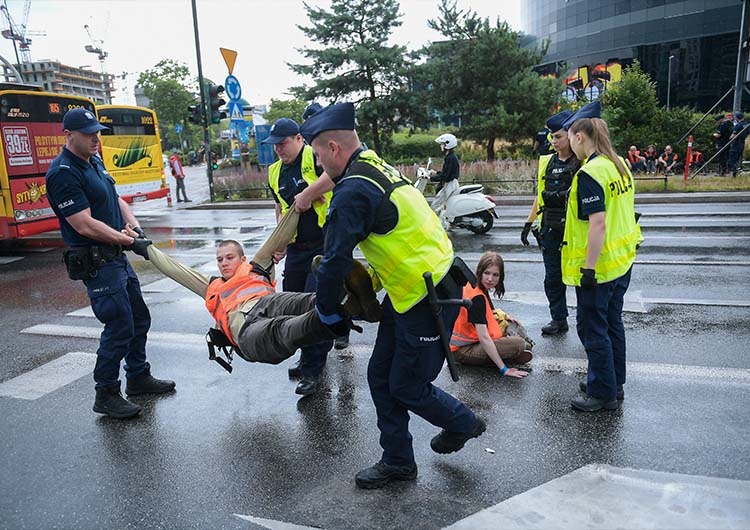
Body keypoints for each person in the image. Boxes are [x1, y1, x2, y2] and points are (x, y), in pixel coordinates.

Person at [300, 102, 486, 490]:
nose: (318, 165)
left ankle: (464, 422)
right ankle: (398, 461)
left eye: (317, 154)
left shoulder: (352, 191)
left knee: (406, 384)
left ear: (333, 148)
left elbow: (333, 262)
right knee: (380, 375)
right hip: (410, 293)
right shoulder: (372, 163)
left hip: (429, 295)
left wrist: (326, 312)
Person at [45, 107, 175, 420]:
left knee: (139, 318)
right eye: (89, 134)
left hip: (116, 257)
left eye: (97, 133)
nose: (95, 138)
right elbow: (83, 225)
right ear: (68, 135)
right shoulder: (63, 173)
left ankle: (138, 377)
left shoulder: (95, 161)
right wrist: (128, 240)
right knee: (119, 325)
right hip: (98, 261)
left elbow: (115, 198)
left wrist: (135, 225)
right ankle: (106, 392)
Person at [140, 236, 381, 372]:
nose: (224, 263)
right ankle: (335, 311)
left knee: (302, 301)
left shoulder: (256, 268)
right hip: (246, 331)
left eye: (229, 257)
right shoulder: (210, 286)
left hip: (267, 302)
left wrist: (302, 200)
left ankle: (349, 300)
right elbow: (174, 270)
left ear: (242, 259)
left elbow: (281, 231)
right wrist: (145, 248)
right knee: (282, 328)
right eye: (219, 260)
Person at [562, 101, 642, 412]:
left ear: (580, 136)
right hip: (623, 261)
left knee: (592, 327)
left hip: (601, 267)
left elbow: (598, 223)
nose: (569, 143)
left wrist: (588, 268)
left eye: (569, 136)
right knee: (612, 324)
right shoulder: (620, 164)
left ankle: (602, 393)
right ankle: (612, 382)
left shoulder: (590, 173)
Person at [262, 117, 336, 395]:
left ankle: (313, 370)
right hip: (296, 249)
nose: (279, 149)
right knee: (292, 306)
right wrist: (279, 240)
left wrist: (308, 193)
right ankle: (308, 358)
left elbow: (336, 174)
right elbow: (279, 207)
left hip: (323, 244)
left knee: (314, 307)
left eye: (283, 143)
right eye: (275, 145)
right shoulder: (274, 171)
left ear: (298, 139)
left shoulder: (314, 156)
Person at [521, 109, 580, 336]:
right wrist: (529, 223)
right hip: (550, 229)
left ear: (571, 136)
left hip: (573, 231)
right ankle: (559, 319)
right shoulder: (547, 162)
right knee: (552, 278)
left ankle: (584, 320)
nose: (554, 141)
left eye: (559, 137)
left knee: (578, 278)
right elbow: (540, 195)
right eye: (552, 137)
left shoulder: (582, 161)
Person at [450, 252, 532, 376]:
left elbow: (488, 313)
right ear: (480, 272)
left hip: (469, 342)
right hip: (461, 351)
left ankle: (505, 354)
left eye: (495, 275)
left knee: (509, 324)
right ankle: (497, 359)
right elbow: (484, 338)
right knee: (519, 344)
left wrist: (505, 316)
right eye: (487, 273)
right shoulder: (477, 298)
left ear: (500, 277)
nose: (490, 279)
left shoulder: (475, 284)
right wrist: (504, 369)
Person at [429, 133, 460, 214]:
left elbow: (445, 176)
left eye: (442, 144)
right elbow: (446, 172)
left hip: (450, 184)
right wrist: (436, 172)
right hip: (450, 183)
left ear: (447, 145)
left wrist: (430, 178)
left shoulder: (450, 158)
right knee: (442, 205)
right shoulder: (450, 156)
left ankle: (440, 224)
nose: (440, 146)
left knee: (437, 205)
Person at [728, 111, 749, 177]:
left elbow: (733, 135)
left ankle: (735, 171)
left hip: (736, 143)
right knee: (739, 158)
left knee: (732, 158)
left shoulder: (738, 125)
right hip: (742, 143)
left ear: (737, 118)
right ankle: (739, 170)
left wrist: (729, 139)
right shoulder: (746, 124)